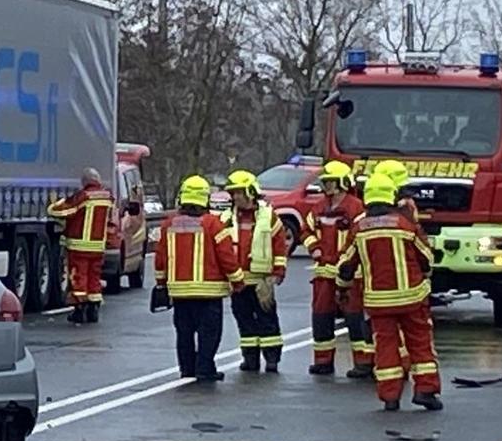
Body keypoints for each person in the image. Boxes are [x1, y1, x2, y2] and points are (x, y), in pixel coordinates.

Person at [336, 175, 442, 411]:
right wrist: (424, 275)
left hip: (378, 302)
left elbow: (345, 265)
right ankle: (426, 391)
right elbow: (426, 258)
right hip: (412, 297)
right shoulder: (405, 224)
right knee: (420, 344)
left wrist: (342, 288)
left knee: (385, 347)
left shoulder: (359, 228)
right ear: (391, 195)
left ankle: (390, 397)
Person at [151, 176, 237, 382]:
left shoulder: (168, 224)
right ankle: (205, 368)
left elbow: (160, 258)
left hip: (180, 292)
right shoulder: (213, 224)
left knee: (184, 333)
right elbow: (226, 256)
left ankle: (187, 368)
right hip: (209, 292)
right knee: (209, 333)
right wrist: (238, 280)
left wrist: (161, 283)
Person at [304, 160, 372, 378]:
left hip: (349, 275)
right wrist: (314, 248)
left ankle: (363, 362)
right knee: (321, 317)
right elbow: (306, 231)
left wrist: (344, 260)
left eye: (331, 182)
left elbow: (358, 236)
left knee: (355, 318)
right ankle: (323, 361)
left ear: (343, 183)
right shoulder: (319, 207)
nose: (327, 187)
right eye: (325, 182)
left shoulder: (356, 207)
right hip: (324, 273)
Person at [221, 170, 289, 373]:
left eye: (238, 193)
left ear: (250, 192)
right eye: (232, 193)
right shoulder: (226, 218)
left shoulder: (268, 217)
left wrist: (276, 274)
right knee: (244, 321)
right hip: (238, 280)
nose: (235, 197)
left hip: (262, 280)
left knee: (267, 320)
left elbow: (279, 246)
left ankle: (271, 359)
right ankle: (250, 359)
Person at [49, 167, 115, 324]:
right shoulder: (107, 197)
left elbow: (64, 212)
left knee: (79, 277)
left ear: (85, 182)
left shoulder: (84, 196)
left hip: (80, 246)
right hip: (98, 247)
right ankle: (93, 309)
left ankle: (80, 310)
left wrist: (54, 204)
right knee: (94, 278)